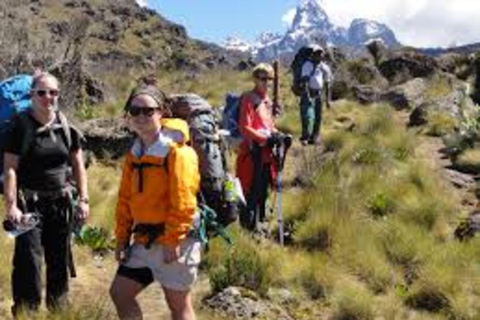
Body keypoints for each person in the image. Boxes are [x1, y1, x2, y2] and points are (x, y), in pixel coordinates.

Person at [109, 80, 201, 320]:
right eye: (135, 110)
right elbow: (125, 200)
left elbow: (184, 202)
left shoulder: (178, 151)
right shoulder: (135, 152)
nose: (141, 116)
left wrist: (172, 241)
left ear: (162, 113)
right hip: (144, 241)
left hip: (177, 242)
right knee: (120, 293)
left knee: (178, 306)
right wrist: (121, 238)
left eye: (148, 110)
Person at [3, 71, 89, 316]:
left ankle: (59, 310)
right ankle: (26, 312)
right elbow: (10, 169)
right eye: (41, 92)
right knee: (28, 263)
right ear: (31, 95)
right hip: (29, 205)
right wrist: (11, 206)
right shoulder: (19, 126)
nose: (47, 97)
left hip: (62, 204)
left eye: (53, 92)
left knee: (59, 261)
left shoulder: (65, 126)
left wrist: (83, 199)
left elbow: (77, 165)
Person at [236, 63, 284, 232]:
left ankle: (259, 224)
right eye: (263, 78)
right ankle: (248, 228)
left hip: (266, 154)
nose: (267, 82)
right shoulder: (249, 99)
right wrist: (263, 138)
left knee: (263, 190)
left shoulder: (266, 101)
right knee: (251, 190)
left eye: (270, 79)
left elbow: (268, 125)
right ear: (255, 79)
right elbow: (245, 127)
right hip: (252, 153)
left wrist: (277, 135)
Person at [299, 45, 333, 146]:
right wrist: (308, 96)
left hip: (319, 94)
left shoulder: (324, 67)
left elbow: (327, 84)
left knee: (318, 117)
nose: (318, 55)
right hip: (308, 93)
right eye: (316, 53)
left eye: (320, 54)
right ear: (313, 55)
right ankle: (305, 137)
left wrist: (328, 100)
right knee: (307, 116)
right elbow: (305, 82)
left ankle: (315, 137)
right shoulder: (307, 65)